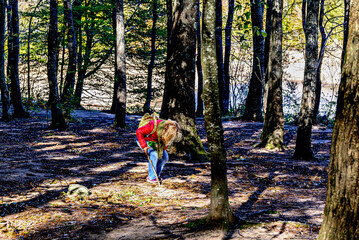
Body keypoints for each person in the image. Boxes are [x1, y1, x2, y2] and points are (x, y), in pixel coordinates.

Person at [136, 118, 180, 183]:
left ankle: (156, 175)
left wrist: (161, 148)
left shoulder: (169, 133)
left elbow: (166, 142)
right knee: (154, 154)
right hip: (144, 139)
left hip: (156, 142)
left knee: (164, 157)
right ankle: (151, 177)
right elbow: (139, 132)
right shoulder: (154, 126)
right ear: (165, 129)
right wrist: (144, 146)